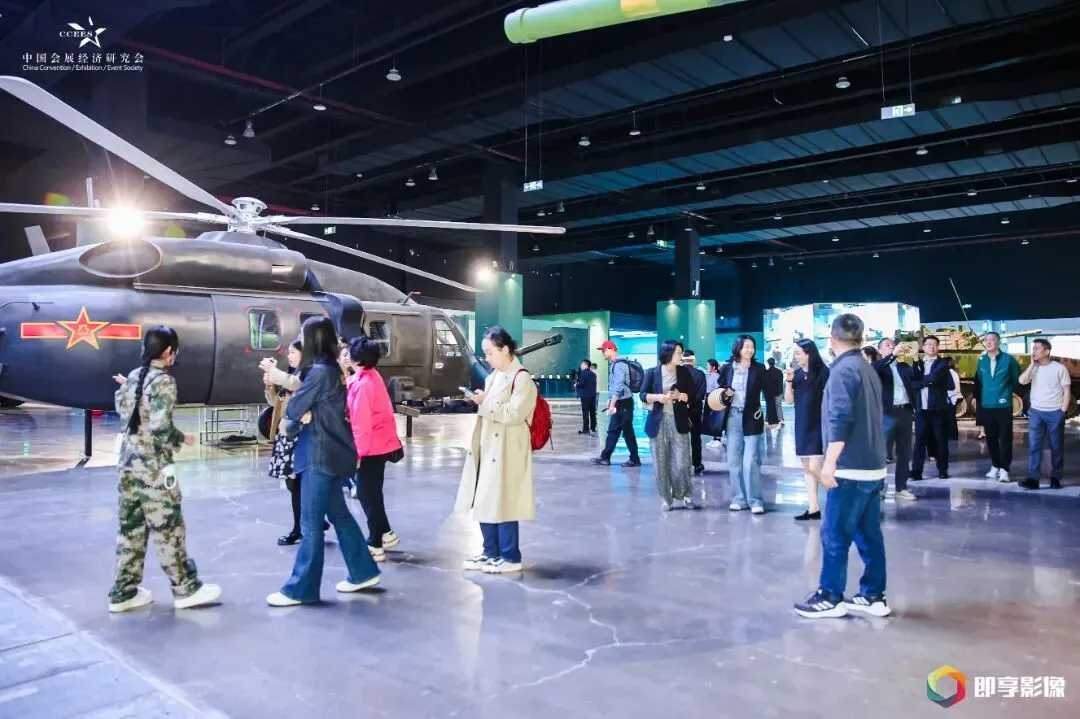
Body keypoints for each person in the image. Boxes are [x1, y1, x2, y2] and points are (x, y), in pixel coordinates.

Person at [267, 317, 381, 606]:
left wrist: (301, 417)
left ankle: (300, 589)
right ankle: (363, 572)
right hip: (335, 453)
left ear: (312, 340)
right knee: (340, 516)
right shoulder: (332, 370)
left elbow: (292, 411)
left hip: (317, 454)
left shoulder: (318, 372)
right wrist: (305, 413)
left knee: (310, 524)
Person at [108, 326, 221, 612]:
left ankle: (123, 592)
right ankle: (186, 589)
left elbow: (122, 408)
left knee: (130, 530)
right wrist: (182, 439)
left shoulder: (134, 376)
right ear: (169, 351)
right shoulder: (164, 382)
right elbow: (160, 428)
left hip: (127, 466)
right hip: (153, 470)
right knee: (168, 528)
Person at [794, 314, 890, 619]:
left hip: (850, 468)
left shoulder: (841, 371)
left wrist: (830, 463)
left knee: (834, 533)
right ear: (860, 339)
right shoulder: (867, 368)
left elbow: (840, 419)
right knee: (869, 534)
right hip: (874, 466)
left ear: (832, 339)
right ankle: (873, 595)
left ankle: (830, 596)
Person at [456, 326, 538, 573]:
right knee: (485, 500)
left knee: (505, 501)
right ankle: (490, 551)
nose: (487, 358)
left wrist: (485, 402)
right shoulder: (494, 376)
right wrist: (483, 399)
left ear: (505, 349)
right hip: (489, 447)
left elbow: (514, 414)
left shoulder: (521, 378)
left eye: (490, 352)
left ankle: (510, 556)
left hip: (507, 449)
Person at [262, 341, 329, 546]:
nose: (289, 356)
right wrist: (270, 385)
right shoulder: (292, 376)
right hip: (287, 437)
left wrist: (274, 372)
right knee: (295, 485)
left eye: (293, 352)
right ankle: (313, 522)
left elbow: (296, 385)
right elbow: (275, 402)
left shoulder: (307, 376)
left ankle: (300, 529)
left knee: (299, 484)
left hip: (301, 437)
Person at [347, 336, 404, 563]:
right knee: (372, 493)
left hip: (371, 448)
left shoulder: (363, 385)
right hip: (380, 444)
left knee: (366, 494)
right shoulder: (371, 376)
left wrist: (357, 455)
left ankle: (375, 543)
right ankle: (386, 533)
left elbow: (361, 425)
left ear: (357, 358)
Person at [642, 340, 698, 511]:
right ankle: (666, 499)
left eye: (681, 353)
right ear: (668, 354)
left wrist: (680, 396)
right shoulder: (652, 372)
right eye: (678, 353)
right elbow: (643, 395)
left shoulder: (684, 372)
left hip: (678, 419)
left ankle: (685, 494)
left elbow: (693, 396)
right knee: (660, 461)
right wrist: (658, 397)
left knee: (682, 461)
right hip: (657, 420)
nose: (681, 356)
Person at [718, 335, 768, 514]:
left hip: (752, 416)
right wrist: (726, 394)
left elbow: (768, 392)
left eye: (752, 346)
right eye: (746, 346)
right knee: (733, 461)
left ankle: (755, 500)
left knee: (751, 461)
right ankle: (739, 498)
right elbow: (719, 390)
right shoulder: (727, 368)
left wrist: (773, 417)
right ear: (738, 348)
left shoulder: (759, 368)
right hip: (732, 417)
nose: (750, 350)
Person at [785, 339, 829, 520]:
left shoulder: (823, 372)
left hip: (819, 425)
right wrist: (788, 381)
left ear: (809, 353)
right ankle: (813, 508)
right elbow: (789, 400)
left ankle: (842, 498)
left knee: (814, 467)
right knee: (807, 469)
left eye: (798, 353)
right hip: (802, 425)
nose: (795, 357)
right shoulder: (795, 375)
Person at [1018, 338, 1071, 490]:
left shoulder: (1059, 368)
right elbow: (1022, 381)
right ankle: (1033, 479)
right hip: (1036, 412)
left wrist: (1062, 411)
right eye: (1033, 348)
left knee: (1056, 447)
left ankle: (1055, 477)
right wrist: (1031, 366)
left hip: (1055, 412)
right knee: (1034, 446)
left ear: (1046, 351)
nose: (1033, 351)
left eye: (1037, 348)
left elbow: (1066, 391)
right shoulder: (1034, 368)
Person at [872, 338, 918, 501]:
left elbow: (918, 377)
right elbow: (875, 368)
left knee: (904, 452)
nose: (892, 346)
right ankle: (877, 488)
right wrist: (892, 356)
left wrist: (916, 358)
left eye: (893, 344)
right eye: (887, 345)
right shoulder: (879, 367)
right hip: (887, 414)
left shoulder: (903, 367)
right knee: (882, 452)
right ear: (880, 351)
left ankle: (901, 487)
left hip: (905, 412)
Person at [973, 332, 1020, 483]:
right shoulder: (981, 360)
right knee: (991, 438)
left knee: (1005, 438)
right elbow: (980, 380)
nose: (988, 342)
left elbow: (1016, 379)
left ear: (998, 342)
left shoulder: (1008, 360)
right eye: (986, 340)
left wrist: (1005, 392)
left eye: (992, 340)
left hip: (1003, 405)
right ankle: (995, 465)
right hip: (987, 405)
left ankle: (1005, 469)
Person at [592, 340, 641, 468]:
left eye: (604, 350)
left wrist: (612, 405)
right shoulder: (615, 364)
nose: (603, 352)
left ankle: (633, 459)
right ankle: (606, 457)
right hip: (621, 402)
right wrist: (611, 402)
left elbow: (618, 388)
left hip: (623, 403)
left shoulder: (619, 365)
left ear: (612, 349)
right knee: (615, 430)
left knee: (625, 431)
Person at [911, 335, 953, 480]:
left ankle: (942, 470)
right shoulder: (918, 363)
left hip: (938, 409)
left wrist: (920, 382)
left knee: (940, 440)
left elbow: (934, 378)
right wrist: (922, 382)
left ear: (938, 347)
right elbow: (912, 381)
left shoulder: (942, 363)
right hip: (921, 409)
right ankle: (916, 471)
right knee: (920, 441)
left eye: (934, 344)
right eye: (928, 344)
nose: (931, 346)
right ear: (923, 347)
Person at [681, 349, 708, 474]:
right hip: (696, 409)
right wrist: (691, 402)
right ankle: (697, 464)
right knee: (696, 438)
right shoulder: (700, 374)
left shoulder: (677, 373)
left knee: (680, 438)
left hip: (680, 410)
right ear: (693, 359)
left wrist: (684, 402)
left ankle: (682, 464)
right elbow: (702, 393)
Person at [575, 359, 598, 435]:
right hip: (593, 395)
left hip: (585, 396)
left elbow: (581, 384)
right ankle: (593, 427)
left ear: (586, 365)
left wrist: (576, 385)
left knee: (585, 413)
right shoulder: (593, 374)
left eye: (582, 364)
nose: (581, 365)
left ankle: (586, 429)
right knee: (592, 412)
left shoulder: (583, 373)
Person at [705, 359, 723, 449]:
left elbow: (717, 389)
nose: (707, 367)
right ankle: (714, 438)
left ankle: (717, 439)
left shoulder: (716, 376)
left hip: (714, 398)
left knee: (715, 420)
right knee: (711, 420)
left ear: (714, 367)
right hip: (709, 397)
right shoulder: (709, 375)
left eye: (708, 365)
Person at [763, 357, 785, 428]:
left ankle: (767, 420)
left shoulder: (766, 372)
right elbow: (781, 382)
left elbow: (765, 384)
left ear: (768, 363)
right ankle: (781, 420)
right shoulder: (779, 371)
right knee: (778, 406)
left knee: (769, 406)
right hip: (778, 392)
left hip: (770, 393)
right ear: (774, 363)